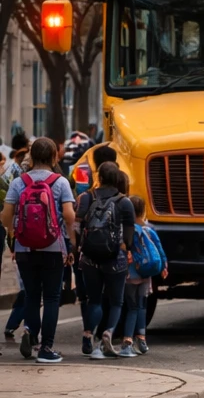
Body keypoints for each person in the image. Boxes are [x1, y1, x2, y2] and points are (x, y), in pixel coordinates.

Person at [0, 137, 77, 362]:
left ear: (31, 157)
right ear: (54, 157)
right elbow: (70, 216)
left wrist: (16, 236)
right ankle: (46, 349)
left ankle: (30, 334)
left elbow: (6, 217)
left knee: (32, 296)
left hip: (24, 248)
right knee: (52, 297)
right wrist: (70, 241)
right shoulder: (60, 182)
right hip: (53, 247)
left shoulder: (18, 182)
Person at [77, 160, 135, 359]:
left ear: (98, 177)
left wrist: (78, 247)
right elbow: (128, 235)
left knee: (94, 300)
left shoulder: (86, 197)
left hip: (89, 258)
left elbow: (78, 225)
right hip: (115, 258)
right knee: (116, 301)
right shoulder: (124, 202)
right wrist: (126, 249)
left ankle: (87, 334)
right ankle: (107, 333)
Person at [123, 195, 167, 355]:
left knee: (131, 308)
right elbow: (159, 248)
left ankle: (127, 341)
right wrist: (163, 265)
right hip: (145, 273)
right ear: (143, 211)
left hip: (129, 274)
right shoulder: (149, 229)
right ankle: (141, 339)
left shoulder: (126, 229)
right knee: (142, 306)